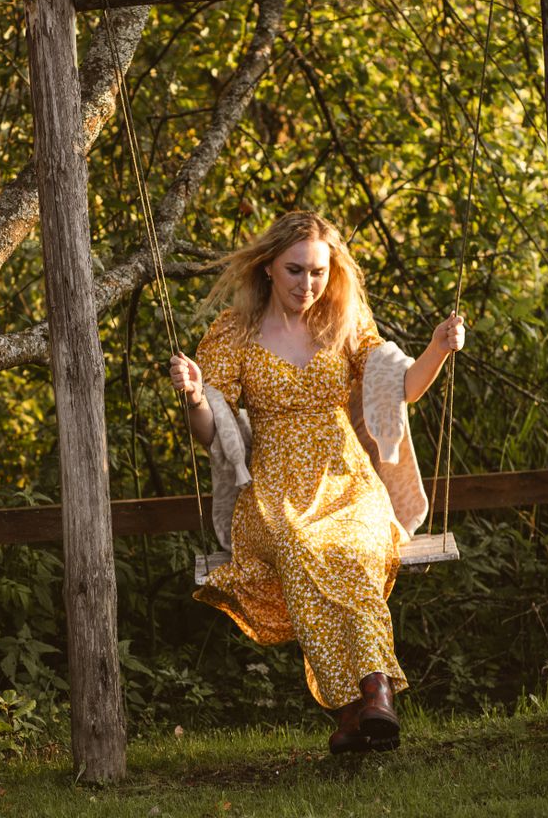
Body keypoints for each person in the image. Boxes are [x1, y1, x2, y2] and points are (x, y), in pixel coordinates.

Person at [168, 210, 464, 754]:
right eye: (295, 270)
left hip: (348, 479)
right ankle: (361, 702)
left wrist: (438, 349)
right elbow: (212, 432)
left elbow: (398, 388)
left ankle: (371, 695)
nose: (308, 284)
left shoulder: (343, 321)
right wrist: (192, 396)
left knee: (352, 548)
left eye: (319, 272)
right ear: (268, 267)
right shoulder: (234, 333)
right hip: (273, 488)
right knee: (301, 545)